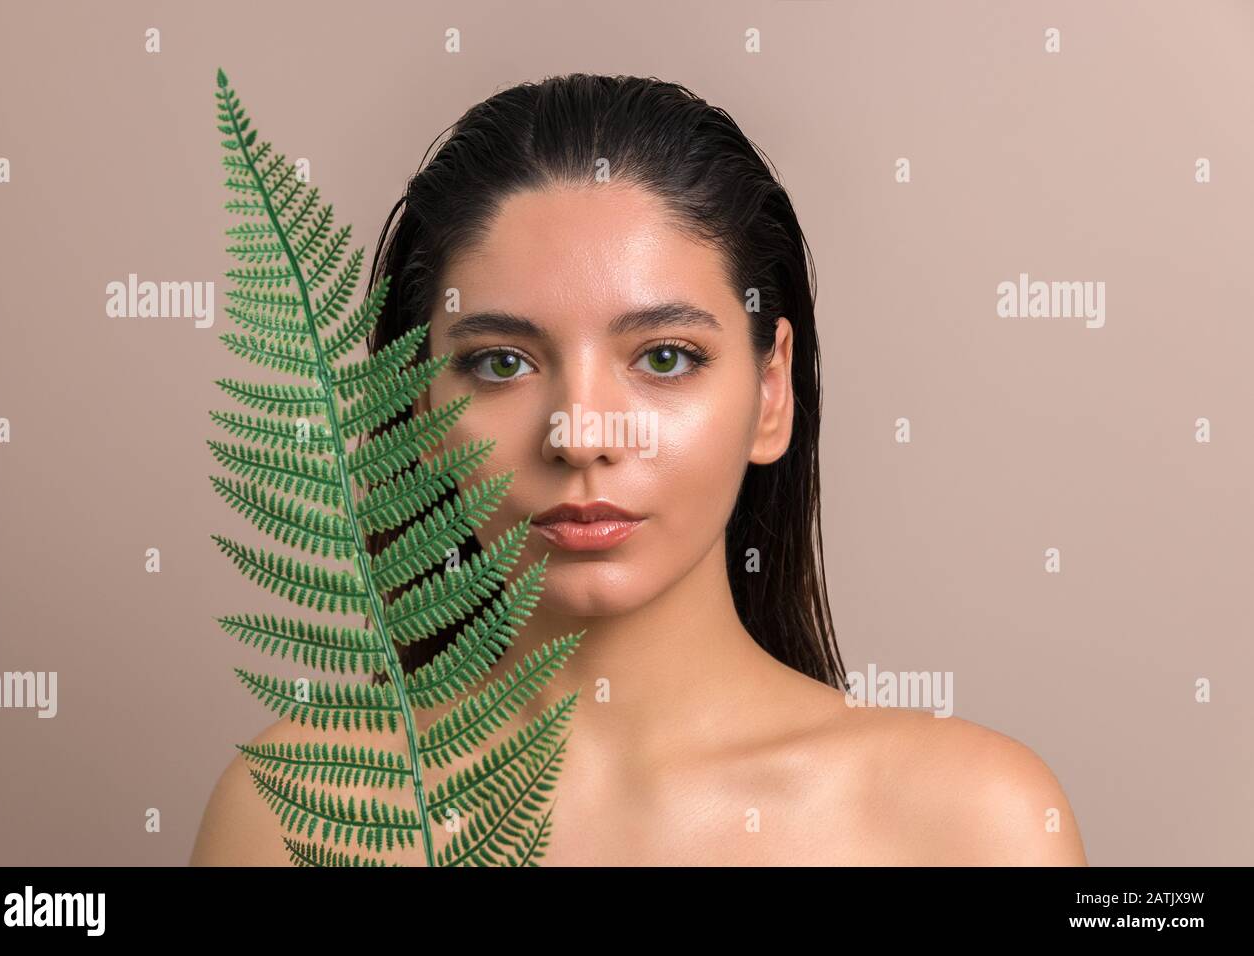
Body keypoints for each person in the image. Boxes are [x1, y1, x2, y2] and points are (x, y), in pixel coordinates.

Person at [191, 73, 1086, 866]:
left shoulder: (974, 823)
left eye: (664, 357)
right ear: (418, 408)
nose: (581, 435)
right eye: (501, 363)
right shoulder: (288, 817)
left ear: (771, 391)